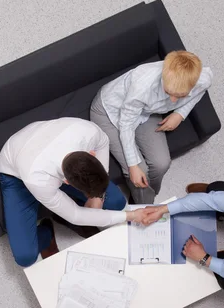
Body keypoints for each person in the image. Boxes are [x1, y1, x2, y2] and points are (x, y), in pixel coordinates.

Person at [0, 117, 149, 268]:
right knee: (25, 257)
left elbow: (103, 143)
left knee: (116, 202)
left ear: (91, 154)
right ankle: (47, 233)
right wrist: (132, 215)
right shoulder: (38, 179)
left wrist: (98, 197)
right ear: (66, 182)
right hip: (16, 175)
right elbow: (75, 215)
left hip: (44, 148)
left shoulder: (87, 131)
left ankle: (78, 210)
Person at [90, 50, 213, 204]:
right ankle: (144, 206)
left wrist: (180, 114)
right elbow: (126, 124)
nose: (173, 101)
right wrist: (133, 166)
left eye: (180, 96)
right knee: (138, 170)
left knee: (162, 164)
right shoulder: (142, 85)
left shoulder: (202, 78)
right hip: (110, 112)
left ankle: (144, 197)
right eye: (168, 92)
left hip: (146, 112)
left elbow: (201, 90)